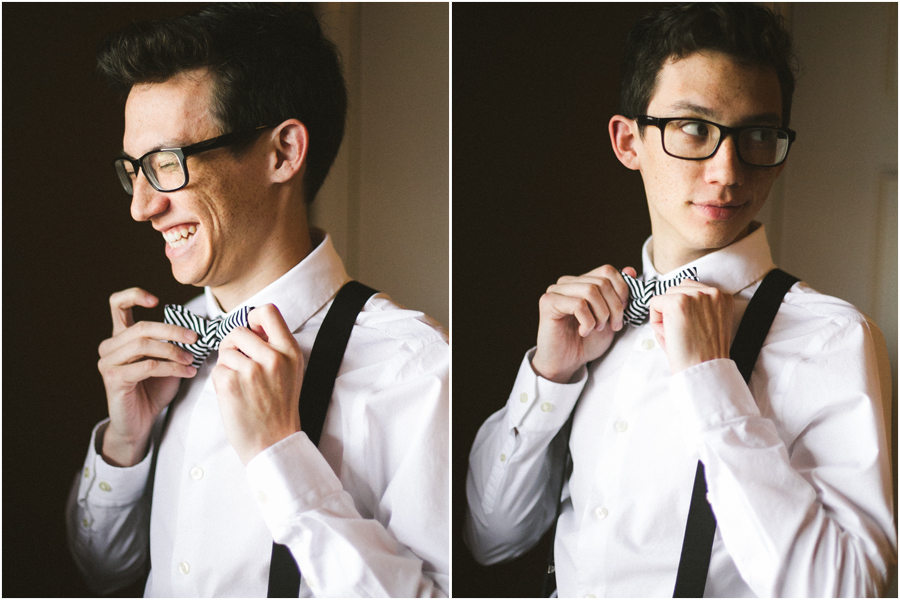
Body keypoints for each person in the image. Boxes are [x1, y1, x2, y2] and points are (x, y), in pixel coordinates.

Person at [465, 3, 896, 597]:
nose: (727, 171)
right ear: (628, 142)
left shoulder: (833, 339)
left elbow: (854, 590)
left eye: (757, 135)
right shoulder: (589, 324)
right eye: (695, 129)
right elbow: (491, 539)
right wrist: (549, 377)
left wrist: (713, 383)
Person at [66, 4, 449, 597]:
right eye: (133, 170)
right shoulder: (161, 354)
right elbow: (104, 569)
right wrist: (124, 444)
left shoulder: (414, 366)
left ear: (282, 153)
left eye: (166, 164)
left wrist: (282, 457)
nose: (141, 206)